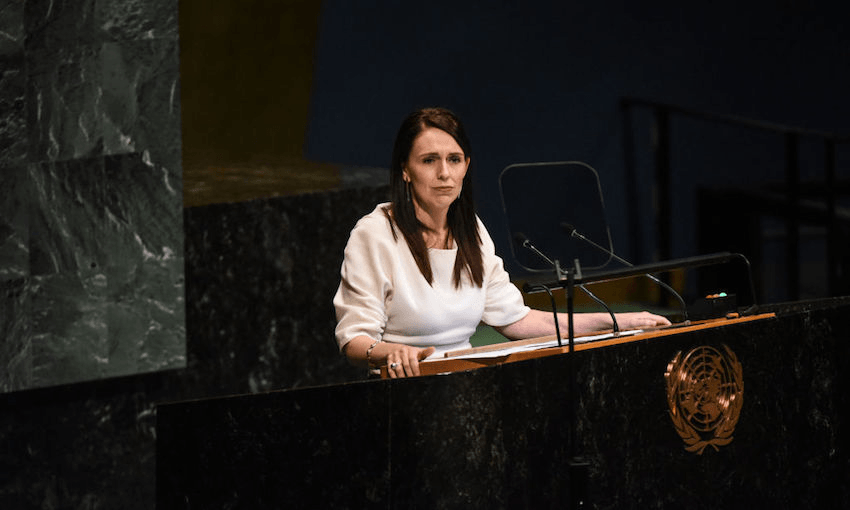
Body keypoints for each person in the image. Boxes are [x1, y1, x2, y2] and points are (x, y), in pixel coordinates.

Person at [333, 107, 670, 378]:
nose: (444, 174)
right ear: (405, 170)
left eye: (454, 159)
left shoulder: (471, 231)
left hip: (469, 384)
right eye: (428, 160)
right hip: (401, 392)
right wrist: (392, 352)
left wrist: (617, 321)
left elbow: (519, 321)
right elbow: (354, 340)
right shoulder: (374, 234)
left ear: (466, 166)